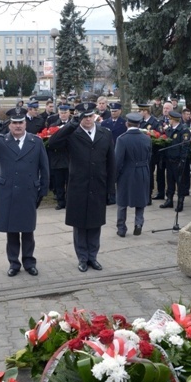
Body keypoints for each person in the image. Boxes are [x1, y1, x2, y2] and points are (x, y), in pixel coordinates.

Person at [0, 107, 49, 277]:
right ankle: (14, 263)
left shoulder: (35, 141)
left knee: (28, 230)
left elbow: (44, 168)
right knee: (12, 230)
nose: (17, 126)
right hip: (8, 190)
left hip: (29, 190)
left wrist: (43, 190)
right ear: (9, 125)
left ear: (25, 123)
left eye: (20, 122)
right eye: (14, 123)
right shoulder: (0, 141)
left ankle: (29, 262)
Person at [48, 102, 115, 272]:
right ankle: (82, 258)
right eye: (84, 117)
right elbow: (53, 143)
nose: (87, 119)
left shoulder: (105, 134)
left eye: (90, 116)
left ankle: (93, 256)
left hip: (98, 184)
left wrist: (110, 189)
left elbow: (111, 163)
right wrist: (71, 124)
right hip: (78, 184)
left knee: (95, 222)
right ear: (79, 117)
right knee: (79, 224)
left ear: (95, 116)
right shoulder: (72, 133)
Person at [115, 112, 151, 237]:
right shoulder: (147, 138)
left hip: (127, 172)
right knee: (140, 200)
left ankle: (121, 228)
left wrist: (115, 176)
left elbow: (118, 161)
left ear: (126, 124)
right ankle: (139, 223)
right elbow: (149, 157)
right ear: (139, 124)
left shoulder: (122, 139)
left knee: (122, 201)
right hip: (142, 171)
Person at [160, 111, 191, 211]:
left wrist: (183, 160)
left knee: (180, 182)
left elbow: (185, 146)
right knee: (170, 180)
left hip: (178, 160)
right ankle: (169, 200)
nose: (169, 120)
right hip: (169, 159)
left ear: (173, 119)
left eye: (170, 119)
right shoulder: (169, 130)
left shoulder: (183, 130)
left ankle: (180, 202)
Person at [48, 105, 71, 210]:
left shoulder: (73, 125)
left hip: (69, 157)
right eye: (61, 113)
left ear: (69, 113)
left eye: (65, 112)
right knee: (59, 183)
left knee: (70, 182)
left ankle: (70, 201)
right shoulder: (53, 125)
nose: (63, 114)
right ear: (58, 113)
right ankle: (61, 202)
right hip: (57, 157)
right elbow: (49, 142)